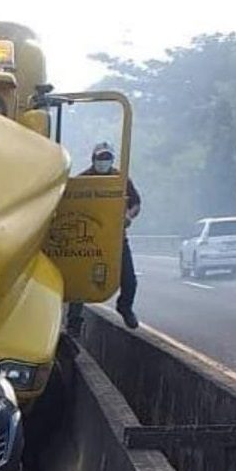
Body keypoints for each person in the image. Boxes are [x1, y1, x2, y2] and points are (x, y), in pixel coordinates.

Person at [66, 142, 142, 331]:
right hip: (89, 239)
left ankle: (125, 307)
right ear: (94, 159)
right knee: (80, 279)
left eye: (107, 158)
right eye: (100, 158)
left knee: (129, 279)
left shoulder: (120, 179)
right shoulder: (82, 180)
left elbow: (136, 203)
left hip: (115, 238)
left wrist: (128, 215)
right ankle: (74, 321)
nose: (104, 161)